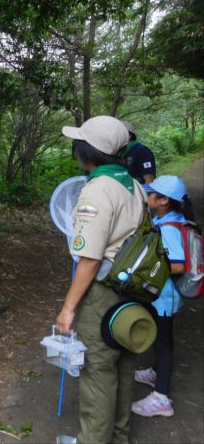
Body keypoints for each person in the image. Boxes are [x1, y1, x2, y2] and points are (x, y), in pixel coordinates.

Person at [55, 116, 147, 444]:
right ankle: (119, 436)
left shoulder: (96, 189)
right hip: (135, 290)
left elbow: (90, 259)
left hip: (106, 294)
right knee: (123, 364)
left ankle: (93, 440)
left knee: (97, 371)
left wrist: (68, 308)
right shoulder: (133, 184)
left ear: (88, 152)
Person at [132, 176, 197, 418]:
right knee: (162, 339)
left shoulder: (169, 228)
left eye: (151, 194)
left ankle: (161, 398)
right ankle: (155, 373)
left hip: (164, 296)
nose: (147, 196)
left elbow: (178, 265)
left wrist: (149, 269)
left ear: (163, 201)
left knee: (163, 343)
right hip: (163, 295)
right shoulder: (166, 218)